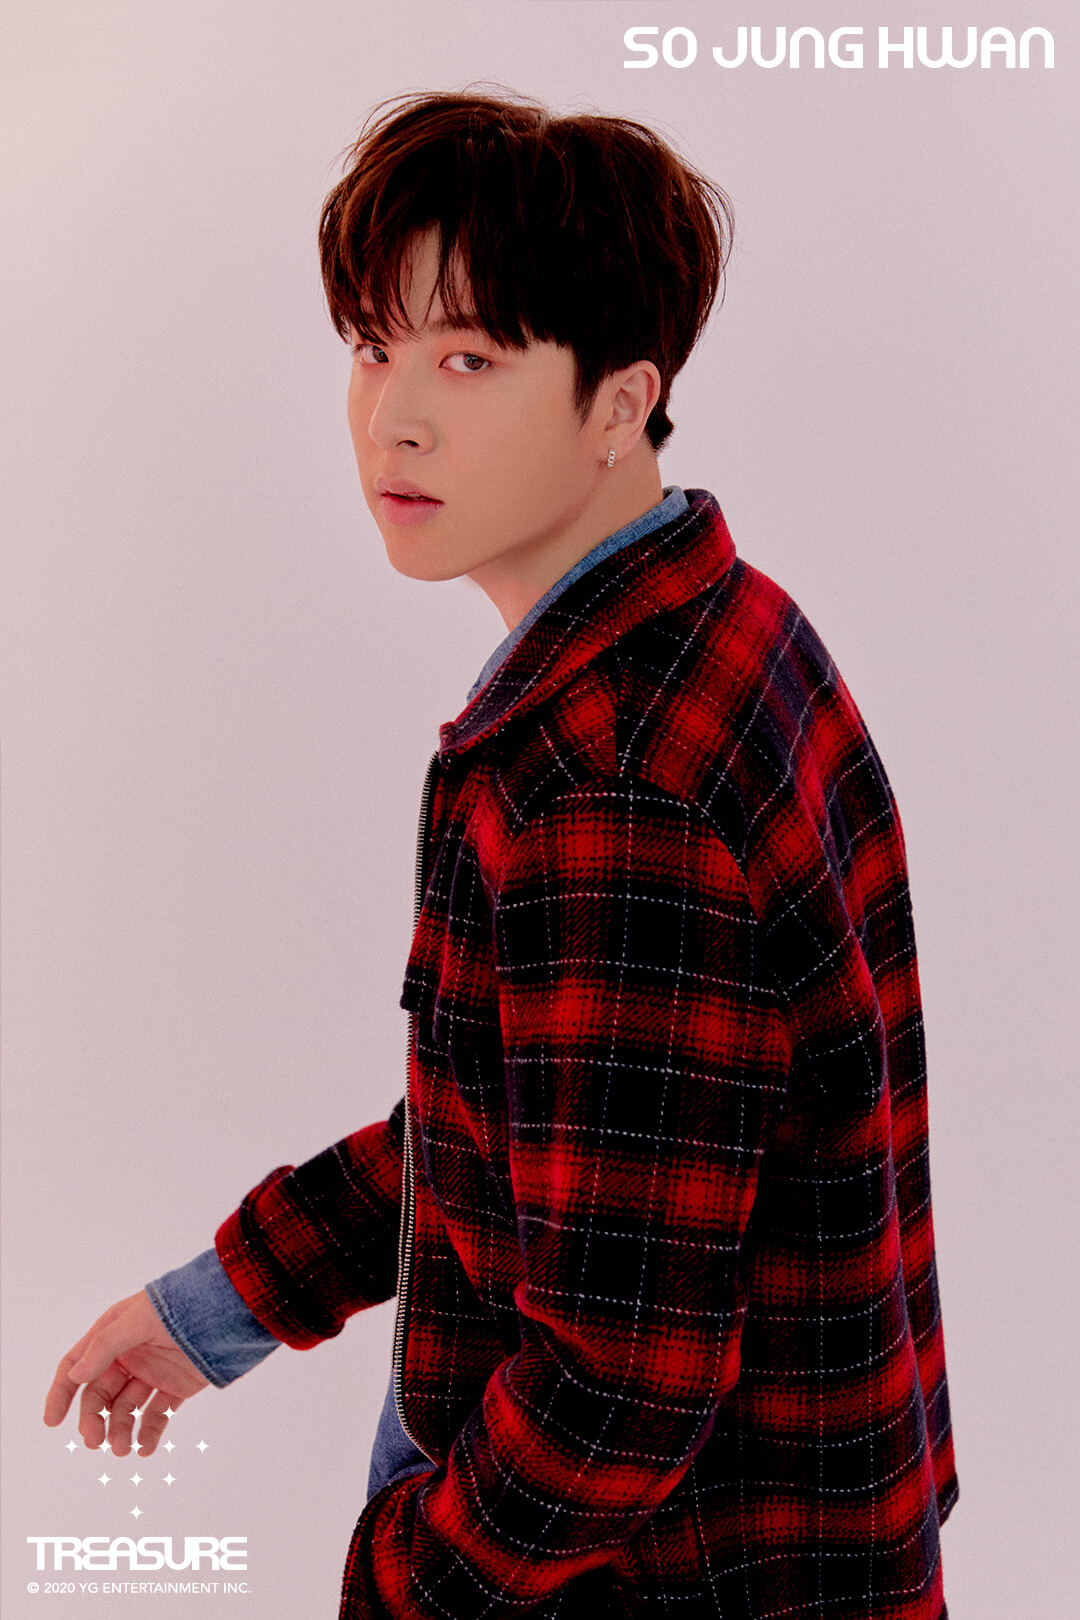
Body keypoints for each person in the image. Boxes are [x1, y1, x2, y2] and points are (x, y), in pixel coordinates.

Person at [44, 90, 958, 1618]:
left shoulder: (609, 780)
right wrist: (223, 1306)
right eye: (372, 348)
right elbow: (528, 1131)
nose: (393, 419)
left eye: (468, 359)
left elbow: (621, 1383)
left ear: (620, 402)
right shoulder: (721, 632)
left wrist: (401, 1582)